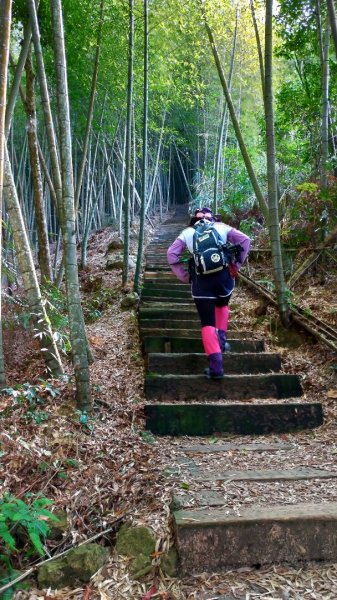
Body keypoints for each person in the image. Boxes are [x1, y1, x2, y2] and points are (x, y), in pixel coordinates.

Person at [167, 206, 251, 379]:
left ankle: (216, 368)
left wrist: (184, 276)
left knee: (207, 323)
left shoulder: (187, 232)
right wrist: (237, 265)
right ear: (212, 218)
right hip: (224, 278)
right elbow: (245, 240)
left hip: (201, 282)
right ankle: (221, 342)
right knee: (222, 305)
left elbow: (171, 254)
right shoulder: (221, 227)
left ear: (193, 220)